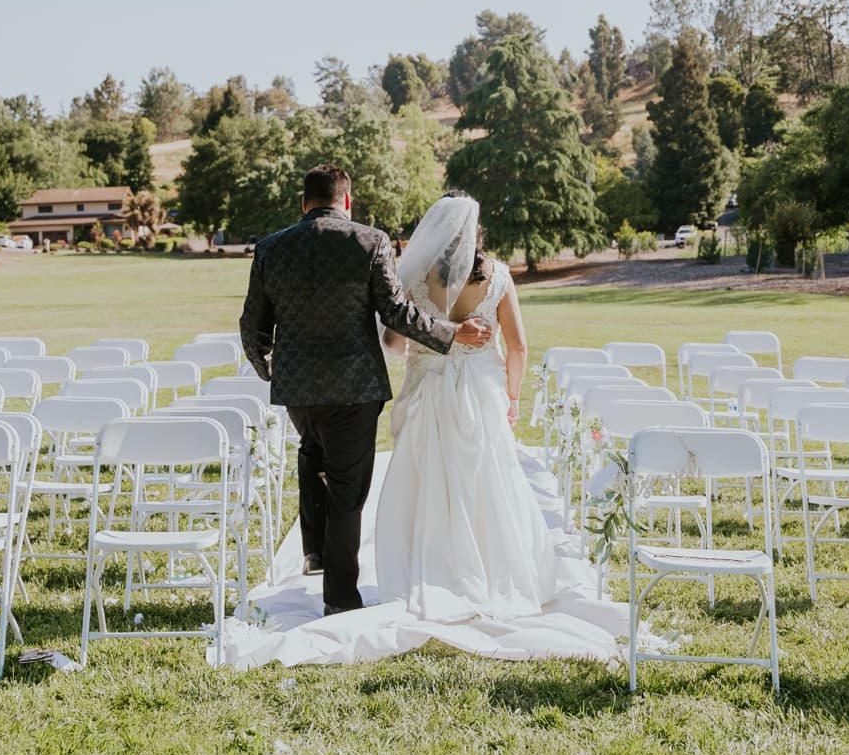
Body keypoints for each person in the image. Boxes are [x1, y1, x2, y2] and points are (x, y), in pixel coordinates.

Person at [239, 165, 493, 615]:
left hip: (298, 390)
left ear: (304, 203)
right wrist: (451, 334)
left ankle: (315, 552)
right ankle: (340, 599)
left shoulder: (270, 248)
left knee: (313, 453)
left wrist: (269, 369)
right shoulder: (369, 242)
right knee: (347, 490)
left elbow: (252, 325)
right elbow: (397, 314)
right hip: (354, 388)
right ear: (347, 200)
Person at [373, 192, 598, 618]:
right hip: (481, 390)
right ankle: (495, 574)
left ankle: (429, 570)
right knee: (488, 483)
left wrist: (437, 333)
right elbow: (519, 345)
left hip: (427, 391)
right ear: (476, 234)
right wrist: (511, 396)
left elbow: (394, 341)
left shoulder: (415, 277)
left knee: (428, 483)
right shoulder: (496, 277)